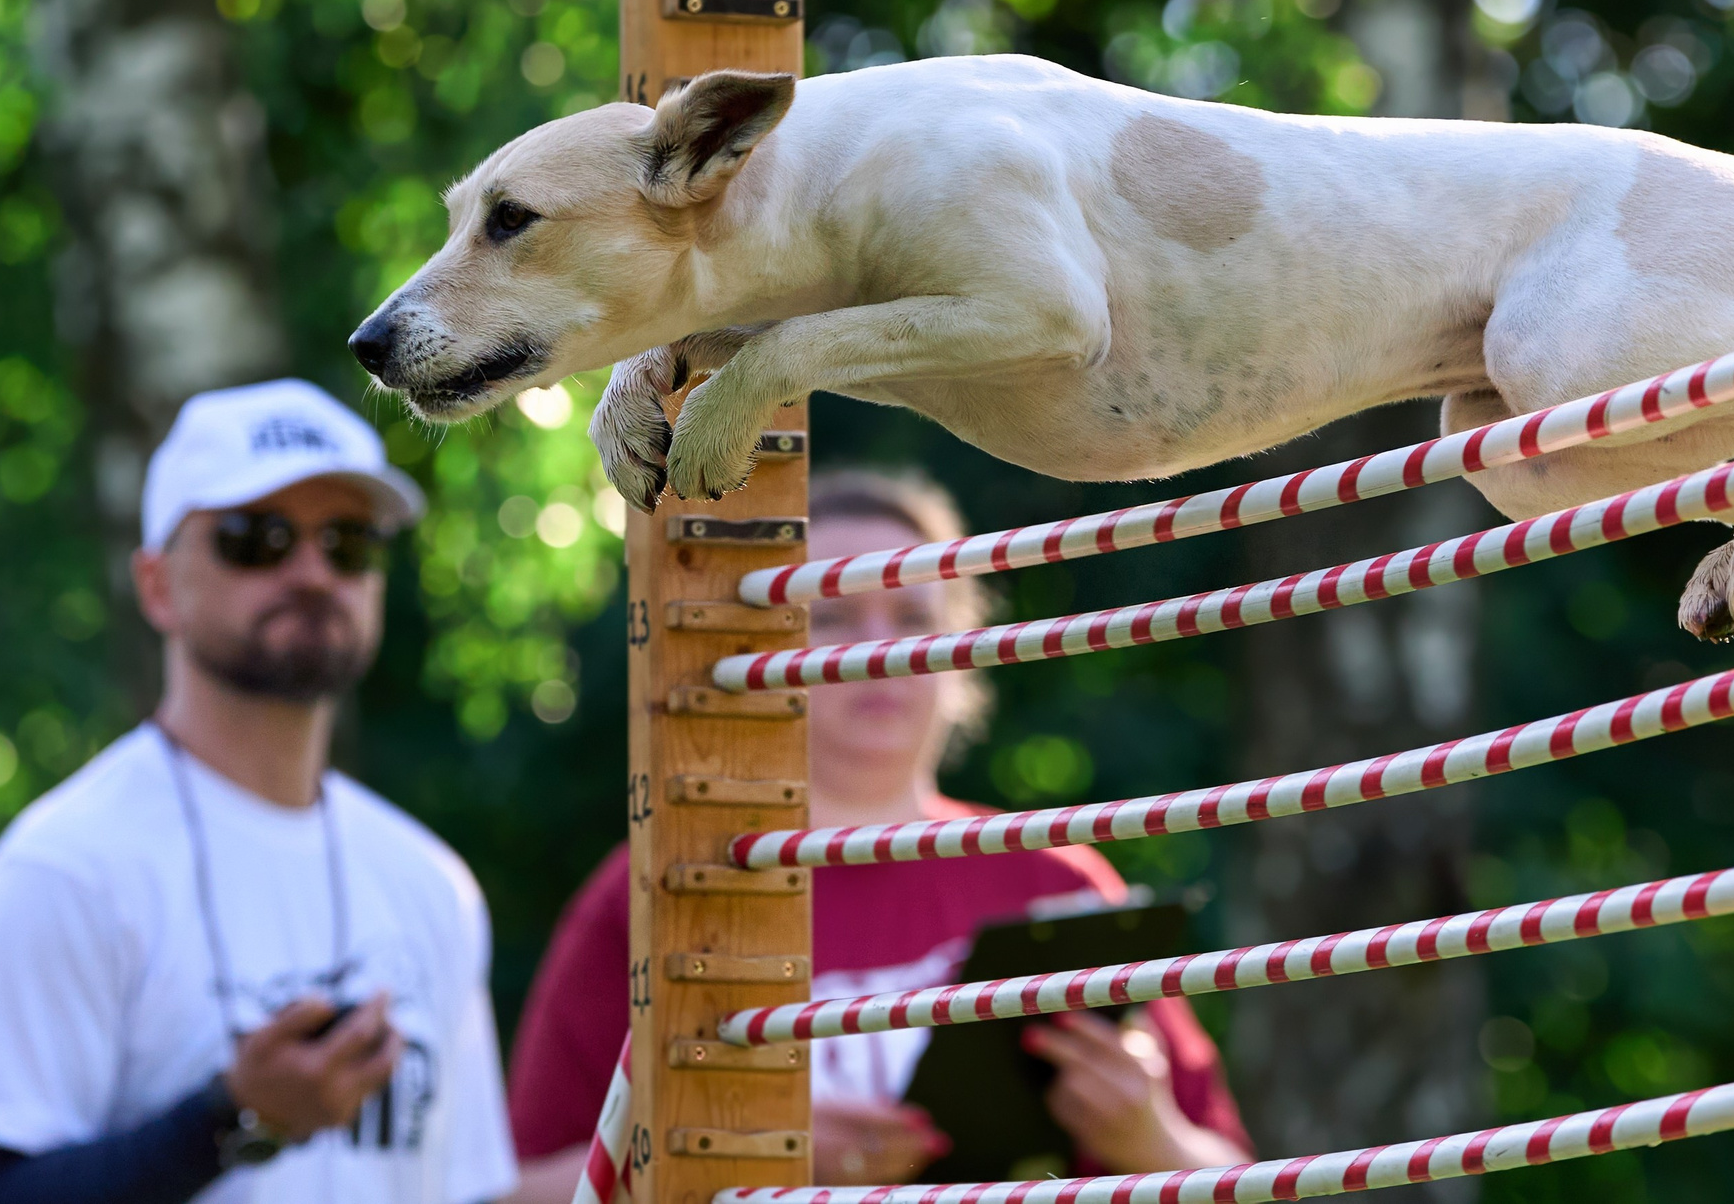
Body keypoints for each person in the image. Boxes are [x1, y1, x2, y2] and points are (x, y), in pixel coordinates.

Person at [503, 469, 1250, 1202]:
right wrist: (733, 1148)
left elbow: (1234, 1171)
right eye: (829, 619)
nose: (878, 651)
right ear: (755, 653)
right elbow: (506, 1190)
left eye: (911, 619)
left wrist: (1147, 1138)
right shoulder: (666, 883)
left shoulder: (1053, 876)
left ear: (961, 649)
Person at [0, 378, 519, 1204]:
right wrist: (234, 1116)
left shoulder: (430, 884)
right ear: (159, 583)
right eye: (256, 537)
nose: (313, 571)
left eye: (348, 541)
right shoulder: (63, 873)